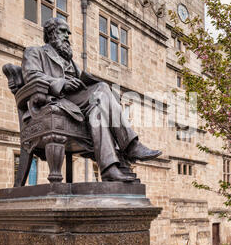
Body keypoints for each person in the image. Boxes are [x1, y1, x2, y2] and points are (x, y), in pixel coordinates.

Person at [22, 18, 161, 182]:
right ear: (51, 33)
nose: (67, 35)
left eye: (68, 32)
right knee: (102, 88)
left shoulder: (70, 61)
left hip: (77, 104)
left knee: (98, 109)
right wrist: (62, 83)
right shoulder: (35, 52)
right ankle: (130, 146)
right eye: (63, 31)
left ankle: (109, 169)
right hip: (53, 100)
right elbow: (32, 75)